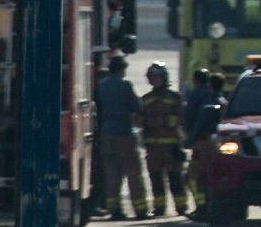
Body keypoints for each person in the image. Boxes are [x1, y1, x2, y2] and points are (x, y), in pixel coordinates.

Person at [93, 56, 148, 219]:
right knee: (133, 173)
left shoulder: (101, 87)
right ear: (122, 69)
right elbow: (136, 107)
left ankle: (114, 210)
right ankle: (140, 209)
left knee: (112, 174)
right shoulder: (125, 85)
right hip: (124, 133)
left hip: (107, 135)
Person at [139, 62, 188, 216]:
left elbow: (180, 118)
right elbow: (139, 119)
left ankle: (181, 207)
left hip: (171, 146)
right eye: (152, 77)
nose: (154, 80)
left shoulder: (175, 97)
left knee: (175, 178)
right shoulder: (145, 99)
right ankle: (159, 207)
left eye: (157, 77)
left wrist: (162, 121)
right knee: (156, 179)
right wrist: (146, 121)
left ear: (164, 78)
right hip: (153, 148)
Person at [186, 73, 227, 217]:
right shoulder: (225, 102)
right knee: (212, 176)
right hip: (219, 143)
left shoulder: (208, 104)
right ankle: (210, 206)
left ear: (210, 85)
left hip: (204, 143)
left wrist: (190, 141)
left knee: (193, 176)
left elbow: (199, 125)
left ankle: (201, 207)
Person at [182, 68, 211, 141]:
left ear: (195, 81)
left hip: (196, 132)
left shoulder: (194, 95)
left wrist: (187, 131)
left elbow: (189, 114)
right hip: (211, 132)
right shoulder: (213, 93)